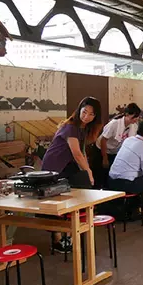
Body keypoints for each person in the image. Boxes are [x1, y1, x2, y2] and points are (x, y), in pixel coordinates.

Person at [42, 96, 102, 253]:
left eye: (91, 114)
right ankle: (60, 238)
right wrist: (88, 172)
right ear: (79, 109)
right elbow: (77, 153)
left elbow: (81, 153)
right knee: (61, 199)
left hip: (66, 166)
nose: (86, 116)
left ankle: (70, 233)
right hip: (54, 166)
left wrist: (87, 171)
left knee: (78, 191)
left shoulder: (82, 128)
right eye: (84, 112)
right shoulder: (71, 127)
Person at [93, 103, 141, 187]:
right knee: (101, 175)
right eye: (134, 117)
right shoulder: (114, 124)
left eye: (137, 117)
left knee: (111, 175)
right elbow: (103, 140)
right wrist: (105, 158)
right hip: (102, 150)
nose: (136, 119)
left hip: (115, 151)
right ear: (126, 114)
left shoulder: (134, 126)